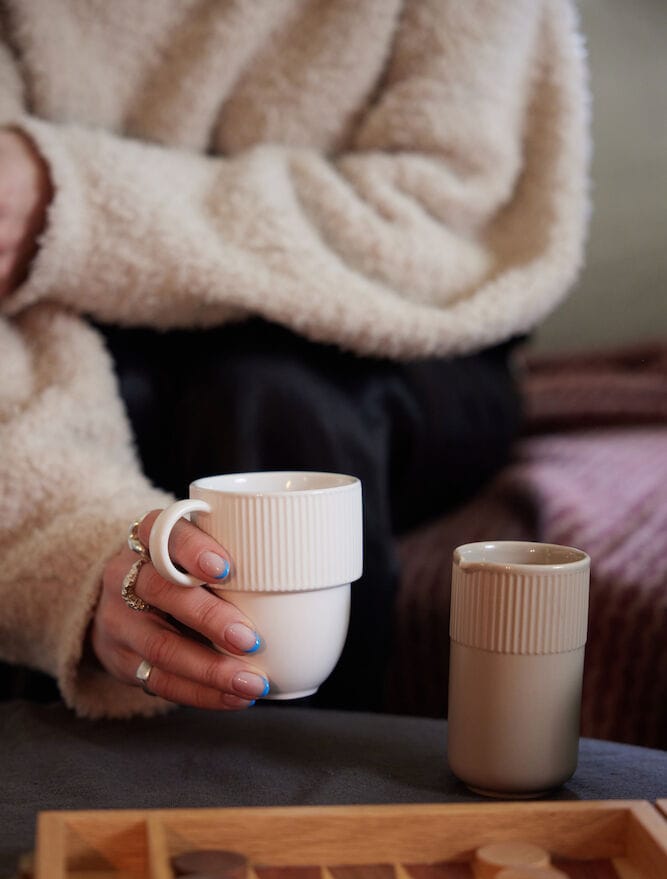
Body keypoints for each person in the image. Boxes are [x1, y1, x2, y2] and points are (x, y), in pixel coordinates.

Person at [0, 1, 590, 718]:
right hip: (73, 349)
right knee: (157, 400)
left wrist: (74, 201)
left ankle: (316, 795)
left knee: (270, 402)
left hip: (404, 324)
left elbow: (448, 220)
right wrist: (71, 550)